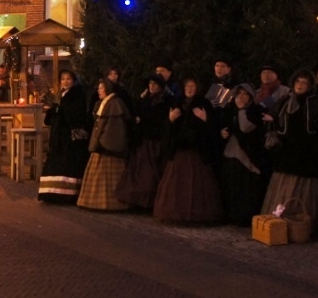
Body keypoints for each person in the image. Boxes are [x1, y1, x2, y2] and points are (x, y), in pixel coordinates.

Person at [261, 69, 318, 237]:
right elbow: (276, 120)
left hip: (308, 155)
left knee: (307, 192)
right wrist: (272, 120)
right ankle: (282, 221)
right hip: (287, 154)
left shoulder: (316, 102)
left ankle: (303, 225)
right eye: (298, 82)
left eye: (304, 83)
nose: (300, 85)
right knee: (286, 187)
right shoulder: (285, 101)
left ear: (309, 86)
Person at [153, 77, 224, 223]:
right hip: (179, 149)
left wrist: (205, 119)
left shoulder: (204, 104)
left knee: (197, 184)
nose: (189, 89)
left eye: (192, 86)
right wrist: (171, 120)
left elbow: (212, 129)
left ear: (196, 88)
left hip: (196, 151)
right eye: (187, 87)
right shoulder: (177, 103)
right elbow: (166, 129)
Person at [38, 70, 93, 204]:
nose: (65, 81)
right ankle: (51, 192)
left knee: (66, 164)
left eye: (68, 79)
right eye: (63, 79)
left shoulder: (77, 95)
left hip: (68, 138)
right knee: (55, 163)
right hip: (58, 136)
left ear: (73, 80)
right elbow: (55, 110)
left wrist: (60, 110)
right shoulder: (60, 94)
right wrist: (53, 111)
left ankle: (65, 195)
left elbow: (76, 114)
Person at [117, 73, 171, 210]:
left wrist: (144, 121)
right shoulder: (144, 100)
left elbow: (160, 121)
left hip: (154, 141)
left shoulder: (165, 101)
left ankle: (149, 202)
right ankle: (137, 201)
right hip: (142, 140)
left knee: (151, 172)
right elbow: (137, 114)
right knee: (139, 171)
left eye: (155, 84)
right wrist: (137, 120)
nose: (152, 86)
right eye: (150, 83)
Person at [219, 83, 270, 226]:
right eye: (238, 94)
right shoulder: (229, 109)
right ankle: (230, 215)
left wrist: (241, 110)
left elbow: (245, 128)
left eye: (245, 94)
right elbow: (224, 126)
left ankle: (244, 218)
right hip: (231, 154)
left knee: (246, 188)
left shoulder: (256, 111)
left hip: (249, 157)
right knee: (232, 186)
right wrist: (222, 132)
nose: (241, 97)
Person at [77, 78, 131, 211]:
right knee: (98, 176)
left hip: (108, 148)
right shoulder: (105, 103)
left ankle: (112, 203)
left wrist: (102, 143)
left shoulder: (114, 104)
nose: (98, 90)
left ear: (107, 89)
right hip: (101, 145)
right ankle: (96, 202)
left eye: (101, 88)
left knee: (109, 177)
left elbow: (114, 129)